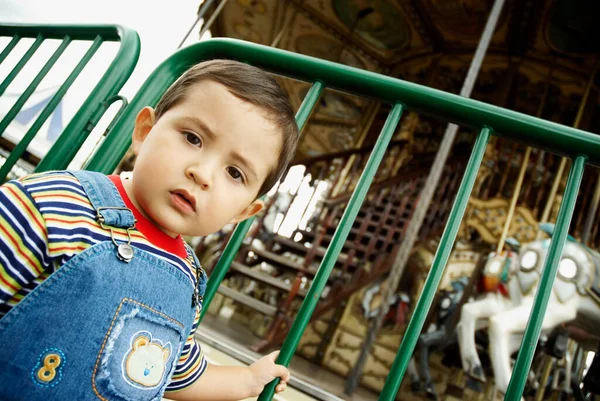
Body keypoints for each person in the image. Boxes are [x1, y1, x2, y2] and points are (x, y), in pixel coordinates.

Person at [0, 59, 299, 401]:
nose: (203, 174)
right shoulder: (55, 204)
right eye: (193, 138)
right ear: (144, 130)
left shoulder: (186, 279)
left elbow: (175, 374)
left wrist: (247, 380)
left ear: (244, 211)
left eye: (235, 173)